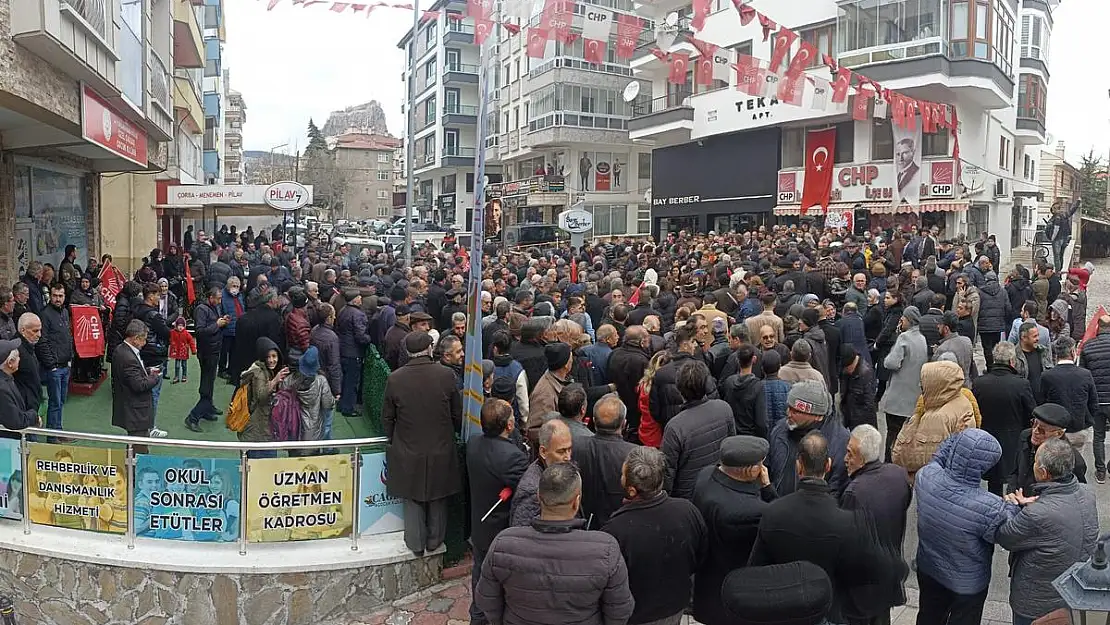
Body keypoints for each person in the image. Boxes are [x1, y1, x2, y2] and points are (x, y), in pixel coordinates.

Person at [475, 463, 634, 625]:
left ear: (538, 496)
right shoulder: (606, 549)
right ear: (576, 501)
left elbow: (486, 600)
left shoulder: (503, 544)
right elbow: (619, 610)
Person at [748, 431, 866, 625]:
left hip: (783, 609)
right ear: (828, 465)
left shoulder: (774, 513)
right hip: (827, 611)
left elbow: (756, 568)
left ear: (798, 465)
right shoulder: (846, 522)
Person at [996, 437, 1099, 625]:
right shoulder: (1087, 493)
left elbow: (1005, 537)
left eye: (1035, 461)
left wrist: (1012, 507)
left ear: (1043, 473)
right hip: (1072, 593)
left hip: (1036, 601)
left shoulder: (1036, 514)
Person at [914, 429, 1010, 625]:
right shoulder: (990, 506)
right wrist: (1015, 504)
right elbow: (1011, 530)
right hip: (967, 583)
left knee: (928, 616)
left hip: (929, 567)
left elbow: (938, 457)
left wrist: (955, 439)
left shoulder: (926, 476)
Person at [603, 446, 707, 625]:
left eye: (622, 475)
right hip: (675, 605)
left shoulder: (615, 530)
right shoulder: (687, 510)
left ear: (632, 490)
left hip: (637, 614)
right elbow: (700, 556)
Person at [382, 331, 462, 556]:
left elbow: (387, 417)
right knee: (438, 495)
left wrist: (391, 439)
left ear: (408, 352)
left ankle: (416, 544)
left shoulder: (395, 378)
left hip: (408, 448)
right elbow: (457, 413)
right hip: (441, 447)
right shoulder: (446, 375)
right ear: (429, 349)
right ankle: (435, 541)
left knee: (412, 496)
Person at [691, 436, 777, 625]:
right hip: (733, 592)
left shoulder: (705, 475)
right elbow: (781, 521)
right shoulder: (750, 511)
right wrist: (768, 488)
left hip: (705, 579)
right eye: (760, 464)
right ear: (750, 470)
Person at [466, 399, 529, 625]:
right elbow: (525, 488)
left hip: (480, 527)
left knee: (479, 573)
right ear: (509, 426)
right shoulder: (513, 457)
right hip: (500, 530)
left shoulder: (473, 443)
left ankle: (478, 615)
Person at [841, 424, 912, 623]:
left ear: (862, 458)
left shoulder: (854, 491)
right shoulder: (898, 475)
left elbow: (848, 541)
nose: (846, 459)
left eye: (850, 453)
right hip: (889, 571)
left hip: (863, 582)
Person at [662, 359, 736, 499]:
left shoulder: (675, 427)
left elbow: (668, 473)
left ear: (679, 388)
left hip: (688, 496)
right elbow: (730, 449)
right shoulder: (724, 408)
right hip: (719, 488)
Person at [973, 342, 1037, 495]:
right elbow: (1031, 412)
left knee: (993, 481)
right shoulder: (1021, 384)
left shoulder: (980, 383)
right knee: (1013, 479)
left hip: (987, 438)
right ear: (1012, 361)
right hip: (1013, 440)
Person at [766, 380, 850, 497]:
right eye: (789, 407)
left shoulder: (840, 443)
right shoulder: (780, 429)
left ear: (818, 416)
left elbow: (837, 490)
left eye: (796, 411)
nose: (788, 414)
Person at [574, 393, 637, 527]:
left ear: (594, 422)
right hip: (620, 525)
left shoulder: (574, 446)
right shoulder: (634, 455)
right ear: (624, 423)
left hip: (582, 525)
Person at [879, 306, 927, 462]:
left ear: (909, 320)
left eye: (903, 319)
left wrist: (887, 357)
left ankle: (888, 463)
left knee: (892, 434)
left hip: (898, 398)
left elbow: (891, 363)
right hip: (913, 397)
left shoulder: (904, 338)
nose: (901, 321)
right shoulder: (922, 338)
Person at [510, 419, 573, 528]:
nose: (568, 457)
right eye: (561, 451)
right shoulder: (532, 491)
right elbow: (521, 534)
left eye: (569, 449)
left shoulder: (561, 472)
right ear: (543, 452)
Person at [1013, 403, 1087, 495]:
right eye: (1033, 423)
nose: (1034, 431)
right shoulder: (1025, 436)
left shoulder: (1075, 462)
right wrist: (1012, 493)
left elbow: (1074, 495)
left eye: (1041, 430)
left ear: (1058, 434)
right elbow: (1015, 471)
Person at [111, 321, 162, 453]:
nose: (145, 343)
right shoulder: (128, 357)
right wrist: (155, 377)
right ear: (135, 338)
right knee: (139, 449)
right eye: (143, 339)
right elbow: (139, 385)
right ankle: (133, 473)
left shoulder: (121, 350)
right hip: (136, 411)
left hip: (132, 408)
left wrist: (146, 372)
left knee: (134, 446)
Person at [187, 287, 229, 431]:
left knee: (210, 381)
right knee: (206, 384)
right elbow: (200, 331)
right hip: (207, 352)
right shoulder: (201, 310)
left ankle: (208, 408)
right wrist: (217, 325)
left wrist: (222, 323)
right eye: (217, 298)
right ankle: (193, 417)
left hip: (214, 349)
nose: (219, 301)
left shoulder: (214, 308)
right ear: (210, 297)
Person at [1040, 336, 1099, 436]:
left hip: (1055, 428)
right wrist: (1087, 420)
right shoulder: (1085, 374)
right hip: (1079, 427)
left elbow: (1042, 402)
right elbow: (1093, 402)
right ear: (1073, 352)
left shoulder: (1047, 376)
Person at [239, 337, 288, 456]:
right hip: (258, 432)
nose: (272, 360)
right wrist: (275, 381)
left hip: (262, 430)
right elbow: (261, 396)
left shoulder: (268, 371)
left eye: (274, 356)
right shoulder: (259, 374)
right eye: (268, 357)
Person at [36, 283, 73, 437]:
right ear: (50, 296)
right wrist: (51, 365)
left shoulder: (64, 312)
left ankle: (58, 430)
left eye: (60, 296)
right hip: (55, 369)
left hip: (65, 366)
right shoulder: (45, 315)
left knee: (61, 402)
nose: (57, 299)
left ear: (64, 297)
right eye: (55, 296)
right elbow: (41, 342)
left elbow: (67, 337)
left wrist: (70, 360)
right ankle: (53, 436)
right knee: (55, 403)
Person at [282, 346, 335, 452]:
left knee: (293, 463)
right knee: (312, 465)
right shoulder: (321, 381)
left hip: (293, 432)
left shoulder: (288, 381)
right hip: (313, 435)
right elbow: (327, 404)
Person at [1080, 315, 1110, 483]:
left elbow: (1083, 375)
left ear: (1097, 327)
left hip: (1097, 400)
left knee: (1098, 436)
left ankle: (1100, 470)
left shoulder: (1088, 347)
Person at [608, 326, 652, 443]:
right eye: (648, 337)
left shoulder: (614, 354)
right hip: (635, 409)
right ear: (642, 342)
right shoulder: (642, 361)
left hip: (616, 402)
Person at [527, 343, 574, 442]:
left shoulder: (559, 381)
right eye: (571, 357)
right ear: (566, 364)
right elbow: (534, 430)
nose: (573, 360)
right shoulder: (545, 394)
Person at [337, 289, 372, 417]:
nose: (361, 299)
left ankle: (342, 404)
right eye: (359, 297)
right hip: (354, 352)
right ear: (355, 299)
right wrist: (369, 339)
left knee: (345, 380)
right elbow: (360, 336)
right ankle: (348, 408)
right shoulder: (358, 314)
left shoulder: (343, 310)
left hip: (343, 350)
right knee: (352, 381)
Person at [720, 344, 767, 437]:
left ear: (737, 360)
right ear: (754, 359)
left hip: (733, 435)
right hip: (751, 437)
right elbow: (761, 422)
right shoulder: (758, 386)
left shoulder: (729, 382)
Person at [0, 338, 40, 430]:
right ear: (10, 363)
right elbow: (16, 421)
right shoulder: (2, 389)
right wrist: (34, 416)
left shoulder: (7, 379)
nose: (20, 359)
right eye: (18, 356)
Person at [839, 344, 877, 429]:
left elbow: (868, 404)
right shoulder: (847, 369)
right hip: (850, 415)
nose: (844, 371)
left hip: (861, 423)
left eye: (847, 368)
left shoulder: (865, 374)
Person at [13, 313, 42, 421]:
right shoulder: (15, 351)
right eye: (35, 331)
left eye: (39, 330)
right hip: (23, 411)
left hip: (30, 408)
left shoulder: (29, 348)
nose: (39, 334)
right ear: (23, 330)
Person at [168, 316, 195, 384]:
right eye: (179, 325)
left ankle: (184, 376)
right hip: (177, 352)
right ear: (176, 326)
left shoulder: (186, 333)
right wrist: (172, 344)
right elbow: (170, 339)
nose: (180, 327)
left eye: (182, 326)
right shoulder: (173, 332)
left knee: (184, 365)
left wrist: (193, 350)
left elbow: (191, 341)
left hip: (184, 352)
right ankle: (176, 376)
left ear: (184, 326)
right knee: (177, 365)